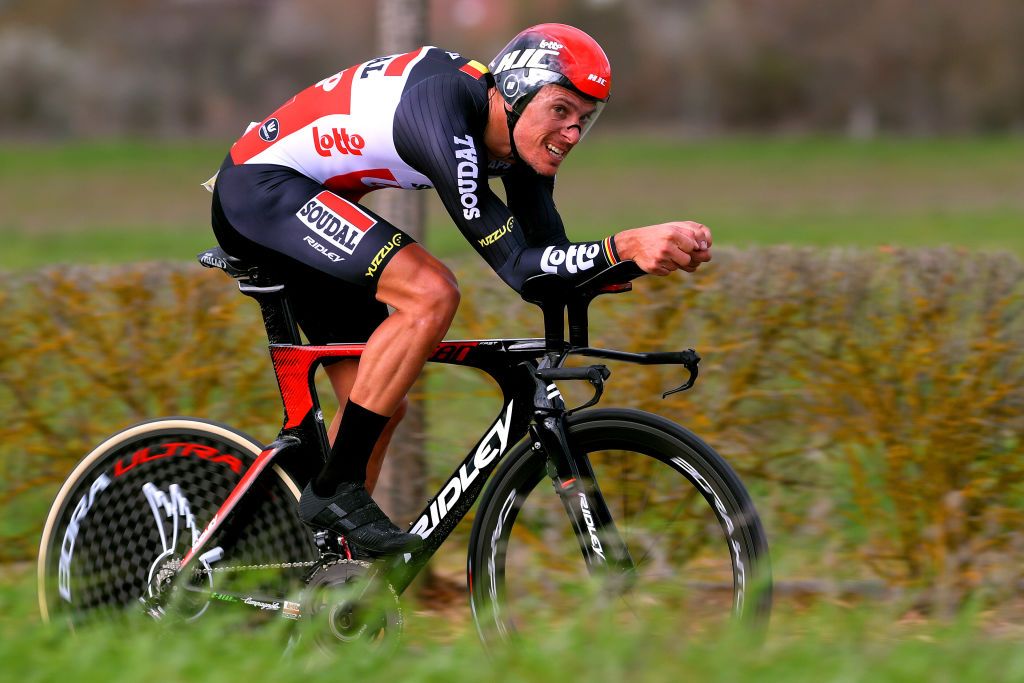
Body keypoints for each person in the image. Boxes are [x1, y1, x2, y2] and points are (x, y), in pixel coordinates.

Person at [209, 23, 712, 556]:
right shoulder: (444, 111)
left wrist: (640, 261)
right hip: (260, 188)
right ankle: (334, 492)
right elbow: (519, 267)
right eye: (561, 110)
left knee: (379, 402)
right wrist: (625, 245)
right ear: (516, 93)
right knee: (430, 292)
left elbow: (549, 267)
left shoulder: (520, 145)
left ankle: (313, 565)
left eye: (585, 119)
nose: (572, 133)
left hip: (310, 201)